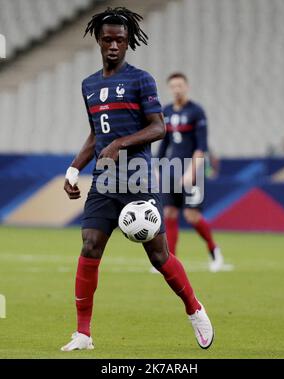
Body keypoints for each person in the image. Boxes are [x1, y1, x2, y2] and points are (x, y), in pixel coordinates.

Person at [61, 7, 214, 351]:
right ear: (98, 41)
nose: (113, 45)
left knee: (158, 256)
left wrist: (119, 144)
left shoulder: (140, 79)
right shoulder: (88, 84)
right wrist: (73, 170)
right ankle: (83, 334)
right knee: (89, 245)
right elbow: (94, 135)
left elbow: (158, 127)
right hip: (104, 179)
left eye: (119, 39)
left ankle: (194, 309)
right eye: (107, 39)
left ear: (128, 41)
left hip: (137, 178)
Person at [157, 73, 224, 272]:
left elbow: (201, 146)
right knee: (169, 212)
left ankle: (214, 250)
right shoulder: (166, 111)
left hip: (191, 168)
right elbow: (165, 142)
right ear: (170, 89)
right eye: (173, 86)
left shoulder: (197, 112)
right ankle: (171, 260)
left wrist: (191, 172)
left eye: (180, 85)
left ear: (187, 87)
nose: (177, 89)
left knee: (192, 215)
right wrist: (158, 167)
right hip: (171, 168)